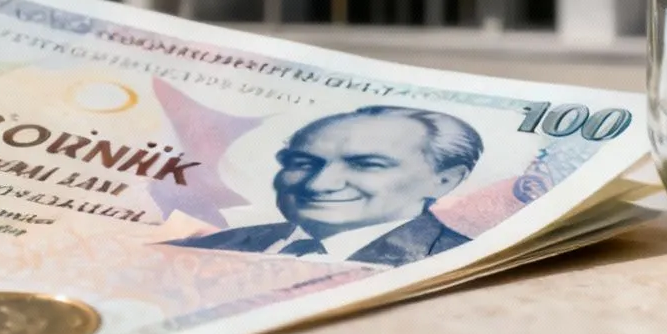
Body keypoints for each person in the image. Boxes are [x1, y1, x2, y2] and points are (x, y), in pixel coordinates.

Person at [170, 105, 482, 266]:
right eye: (303, 163)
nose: (320, 184)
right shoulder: (217, 244)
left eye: (366, 164)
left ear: (444, 180)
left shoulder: (460, 262)